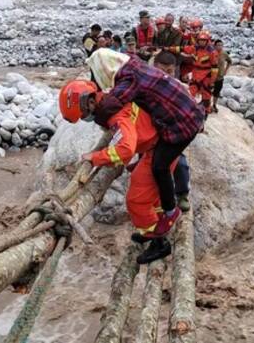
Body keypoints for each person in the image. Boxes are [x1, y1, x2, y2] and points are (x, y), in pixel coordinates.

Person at [87, 49, 205, 236]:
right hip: (179, 117)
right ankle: (162, 214)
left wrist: (98, 116)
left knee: (160, 167)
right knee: (156, 167)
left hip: (182, 124)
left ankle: (170, 211)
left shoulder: (129, 80)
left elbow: (112, 104)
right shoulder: (134, 65)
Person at [58, 80, 173, 264]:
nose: (85, 118)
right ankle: (155, 226)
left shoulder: (116, 116)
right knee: (149, 191)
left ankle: (159, 242)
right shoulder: (113, 102)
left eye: (84, 114)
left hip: (159, 148)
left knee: (136, 200)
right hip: (160, 144)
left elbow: (126, 149)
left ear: (90, 102)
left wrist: (95, 157)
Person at [154, 51, 191, 212]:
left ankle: (182, 194)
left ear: (174, 70)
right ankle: (157, 197)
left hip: (173, 132)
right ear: (155, 68)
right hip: (153, 131)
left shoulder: (180, 87)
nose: (165, 74)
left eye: (169, 71)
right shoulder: (148, 85)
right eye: (161, 70)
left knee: (180, 163)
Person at [167, 30, 218, 116]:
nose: (202, 42)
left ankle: (205, 113)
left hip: (206, 75)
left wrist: (212, 81)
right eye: (200, 40)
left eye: (204, 40)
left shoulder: (212, 52)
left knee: (206, 95)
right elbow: (182, 48)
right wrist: (169, 48)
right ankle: (189, 110)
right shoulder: (195, 48)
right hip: (195, 73)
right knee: (191, 93)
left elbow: (215, 68)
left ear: (207, 41)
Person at [212, 39, 232, 113]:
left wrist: (226, 70)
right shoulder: (212, 53)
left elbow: (230, 61)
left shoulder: (224, 54)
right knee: (208, 91)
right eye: (218, 45)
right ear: (214, 46)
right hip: (211, 76)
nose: (219, 47)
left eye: (221, 45)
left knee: (216, 92)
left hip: (220, 76)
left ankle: (214, 105)